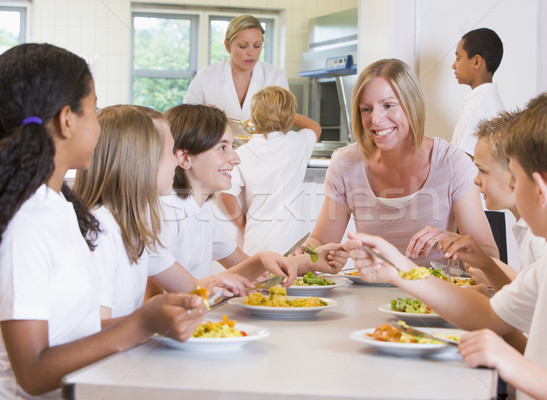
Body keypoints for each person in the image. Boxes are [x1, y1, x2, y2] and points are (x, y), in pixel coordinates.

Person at [346, 83, 547, 400]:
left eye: (515, 178)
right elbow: (486, 314)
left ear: (541, 190)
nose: (509, 186)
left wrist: (510, 363)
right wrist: (398, 270)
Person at [0, 43, 205, 399]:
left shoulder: (60, 205)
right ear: (67, 120)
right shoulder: (26, 222)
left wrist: (154, 320)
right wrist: (141, 323)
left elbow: (75, 329)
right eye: (93, 111)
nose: (99, 125)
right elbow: (32, 373)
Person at [298, 58, 498, 265]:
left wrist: (454, 241)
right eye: (366, 109)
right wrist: (301, 256)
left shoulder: (453, 162)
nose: (376, 119)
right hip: (368, 291)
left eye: (388, 105)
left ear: (412, 105)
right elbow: (322, 241)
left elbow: (490, 256)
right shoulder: (345, 163)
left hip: (437, 293)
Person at [73, 105, 261, 319]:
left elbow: (191, 290)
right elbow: (96, 331)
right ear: (137, 161)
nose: (175, 160)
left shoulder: (137, 226)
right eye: (167, 152)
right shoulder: (101, 231)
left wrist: (214, 286)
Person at [147, 104, 343, 293]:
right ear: (184, 158)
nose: (236, 158)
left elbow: (253, 271)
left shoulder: (200, 209)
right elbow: (162, 298)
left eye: (232, 146)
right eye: (222, 148)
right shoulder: (165, 213)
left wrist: (309, 261)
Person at [440, 110, 547, 292]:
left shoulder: (541, 237)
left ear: (516, 172)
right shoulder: (526, 229)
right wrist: (487, 266)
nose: (476, 180)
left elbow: (539, 308)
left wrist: (497, 271)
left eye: (483, 171)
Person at [220, 85, 321, 255]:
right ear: (289, 116)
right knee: (296, 281)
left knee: (260, 281)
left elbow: (226, 194)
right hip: (294, 241)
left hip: (257, 239)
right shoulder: (298, 143)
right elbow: (315, 127)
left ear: (253, 117)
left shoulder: (242, 153)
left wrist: (241, 224)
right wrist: (287, 114)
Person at [184, 15, 288, 129]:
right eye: (243, 46)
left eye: (257, 46)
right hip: (218, 145)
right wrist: (203, 116)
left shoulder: (276, 76)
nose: (251, 52)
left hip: (263, 146)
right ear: (228, 46)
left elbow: (285, 120)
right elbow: (187, 119)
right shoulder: (205, 76)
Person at [451, 27, 504, 158]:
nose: (453, 65)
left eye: (458, 58)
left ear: (476, 62)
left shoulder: (476, 106)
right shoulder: (490, 98)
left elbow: (463, 164)